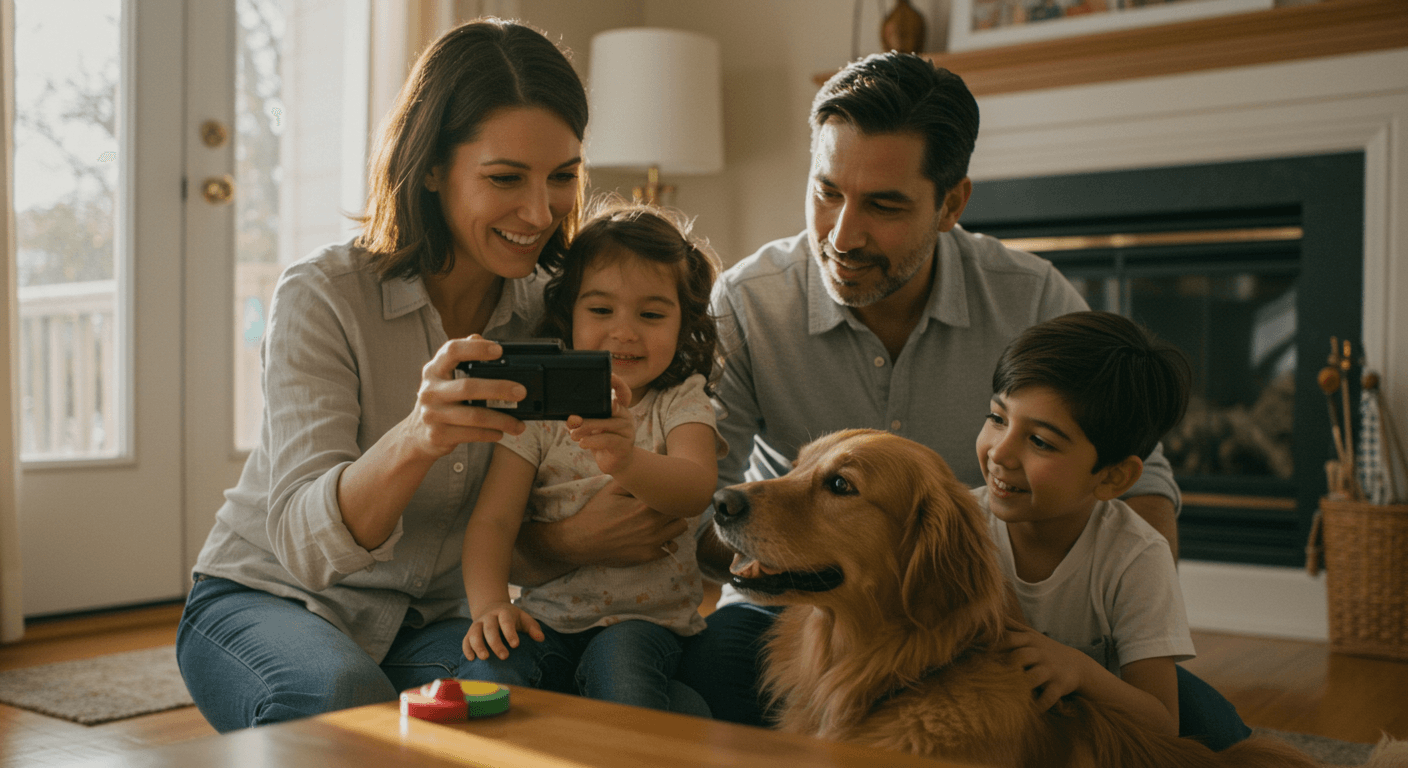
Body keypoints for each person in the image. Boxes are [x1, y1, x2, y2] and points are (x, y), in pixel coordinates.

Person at [673, 51, 1250, 751]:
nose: (843, 235)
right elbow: (699, 497)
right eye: (827, 191)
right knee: (707, 687)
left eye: (885, 205)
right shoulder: (745, 302)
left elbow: (1142, 481)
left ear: (951, 204)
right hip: (795, 611)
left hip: (985, 621)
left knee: (1204, 739)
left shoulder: (1030, 296)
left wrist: (1109, 629)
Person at [175, 20, 688, 732]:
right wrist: (417, 437)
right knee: (339, 698)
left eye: (563, 177)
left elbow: (517, 527)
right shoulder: (323, 296)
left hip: (429, 620)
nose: (541, 213)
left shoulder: (560, 314)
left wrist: (580, 533)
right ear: (431, 168)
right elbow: (303, 543)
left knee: (537, 699)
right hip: (271, 597)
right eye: (505, 178)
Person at [459, 201, 725, 712]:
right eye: (601, 310)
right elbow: (493, 521)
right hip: (546, 615)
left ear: (683, 321)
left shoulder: (680, 399)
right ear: (569, 314)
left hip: (643, 624)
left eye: (650, 315)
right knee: (489, 676)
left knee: (622, 679)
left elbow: (695, 487)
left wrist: (628, 461)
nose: (624, 331)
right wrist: (491, 605)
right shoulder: (540, 411)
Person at [980, 311, 1194, 737]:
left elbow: (1163, 725)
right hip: (998, 721)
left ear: (1112, 477)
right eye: (998, 418)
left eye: (1040, 441)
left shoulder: (1137, 556)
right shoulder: (958, 523)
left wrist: (1079, 669)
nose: (999, 453)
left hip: (1095, 726)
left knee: (1215, 735)